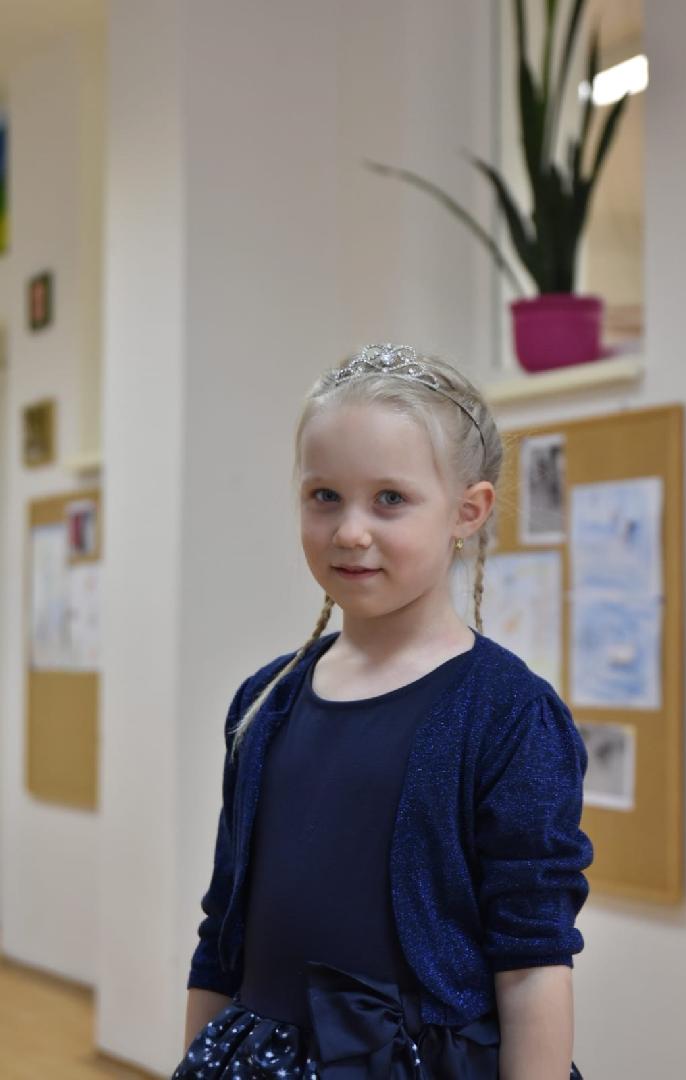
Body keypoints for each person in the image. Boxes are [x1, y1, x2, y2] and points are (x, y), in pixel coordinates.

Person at [173, 343, 592, 1079]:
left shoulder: (508, 715)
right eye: (324, 496)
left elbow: (532, 964)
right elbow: (222, 934)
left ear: (468, 511)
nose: (350, 531)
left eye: (390, 499)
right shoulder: (265, 702)